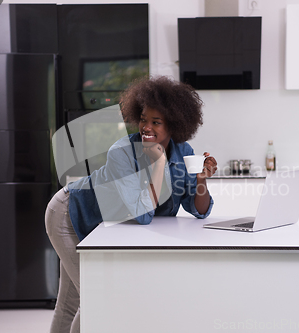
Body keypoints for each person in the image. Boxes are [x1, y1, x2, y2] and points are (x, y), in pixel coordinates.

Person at [44, 75, 218, 333]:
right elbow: (143, 214)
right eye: (144, 119)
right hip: (69, 214)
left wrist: (201, 179)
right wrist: (157, 164)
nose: (146, 127)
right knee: (93, 298)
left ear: (174, 126)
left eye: (156, 122)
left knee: (72, 300)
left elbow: (199, 210)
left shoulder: (183, 152)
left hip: (100, 225)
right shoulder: (122, 152)